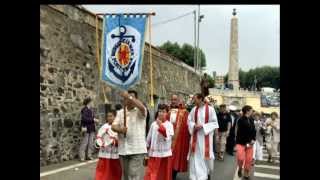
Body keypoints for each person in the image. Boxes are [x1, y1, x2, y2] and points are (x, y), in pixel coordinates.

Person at [111, 90, 148, 180]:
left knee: (133, 175)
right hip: (123, 150)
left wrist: (129, 96)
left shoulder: (140, 111)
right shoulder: (120, 112)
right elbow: (113, 126)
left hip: (137, 150)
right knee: (126, 176)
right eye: (126, 99)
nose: (129, 100)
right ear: (124, 100)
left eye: (132, 98)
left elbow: (142, 107)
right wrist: (120, 129)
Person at [187, 93, 219, 180]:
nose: (193, 101)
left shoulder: (211, 109)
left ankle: (206, 174)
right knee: (195, 158)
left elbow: (215, 123)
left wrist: (203, 126)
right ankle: (195, 177)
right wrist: (194, 125)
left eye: (195, 99)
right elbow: (189, 121)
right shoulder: (194, 110)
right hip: (196, 138)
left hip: (206, 138)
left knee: (206, 158)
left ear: (201, 99)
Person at [144, 104, 174, 180]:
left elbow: (167, 137)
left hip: (165, 155)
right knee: (151, 174)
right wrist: (146, 150)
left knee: (163, 175)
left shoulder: (169, 125)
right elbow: (149, 138)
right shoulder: (153, 124)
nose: (161, 113)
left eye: (163, 112)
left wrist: (160, 125)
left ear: (167, 113)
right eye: (160, 111)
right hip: (154, 154)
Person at [95, 109, 122, 180]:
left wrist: (116, 141)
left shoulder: (118, 127)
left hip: (115, 151)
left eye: (111, 116)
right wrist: (101, 143)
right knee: (104, 167)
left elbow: (121, 138)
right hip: (105, 151)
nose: (109, 118)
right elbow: (99, 136)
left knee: (114, 167)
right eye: (108, 116)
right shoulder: (104, 126)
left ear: (115, 117)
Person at [169, 95, 190, 180]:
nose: (173, 101)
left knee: (175, 158)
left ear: (179, 101)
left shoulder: (184, 112)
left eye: (175, 99)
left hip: (178, 139)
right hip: (168, 137)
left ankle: (173, 174)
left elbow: (186, 126)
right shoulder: (167, 110)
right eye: (172, 99)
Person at [235, 105, 256, 180]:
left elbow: (254, 130)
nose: (252, 112)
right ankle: (240, 168)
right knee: (240, 158)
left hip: (250, 143)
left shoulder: (251, 119)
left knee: (248, 160)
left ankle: (246, 174)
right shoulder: (240, 120)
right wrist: (248, 140)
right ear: (247, 111)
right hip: (241, 142)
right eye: (251, 110)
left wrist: (253, 139)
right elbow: (241, 132)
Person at [79, 97, 99, 161]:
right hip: (86, 128)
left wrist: (93, 121)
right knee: (85, 143)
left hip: (91, 128)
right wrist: (93, 120)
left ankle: (89, 155)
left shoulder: (90, 110)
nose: (93, 103)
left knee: (90, 143)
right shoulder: (84, 109)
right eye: (92, 102)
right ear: (89, 102)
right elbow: (84, 119)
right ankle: (82, 156)